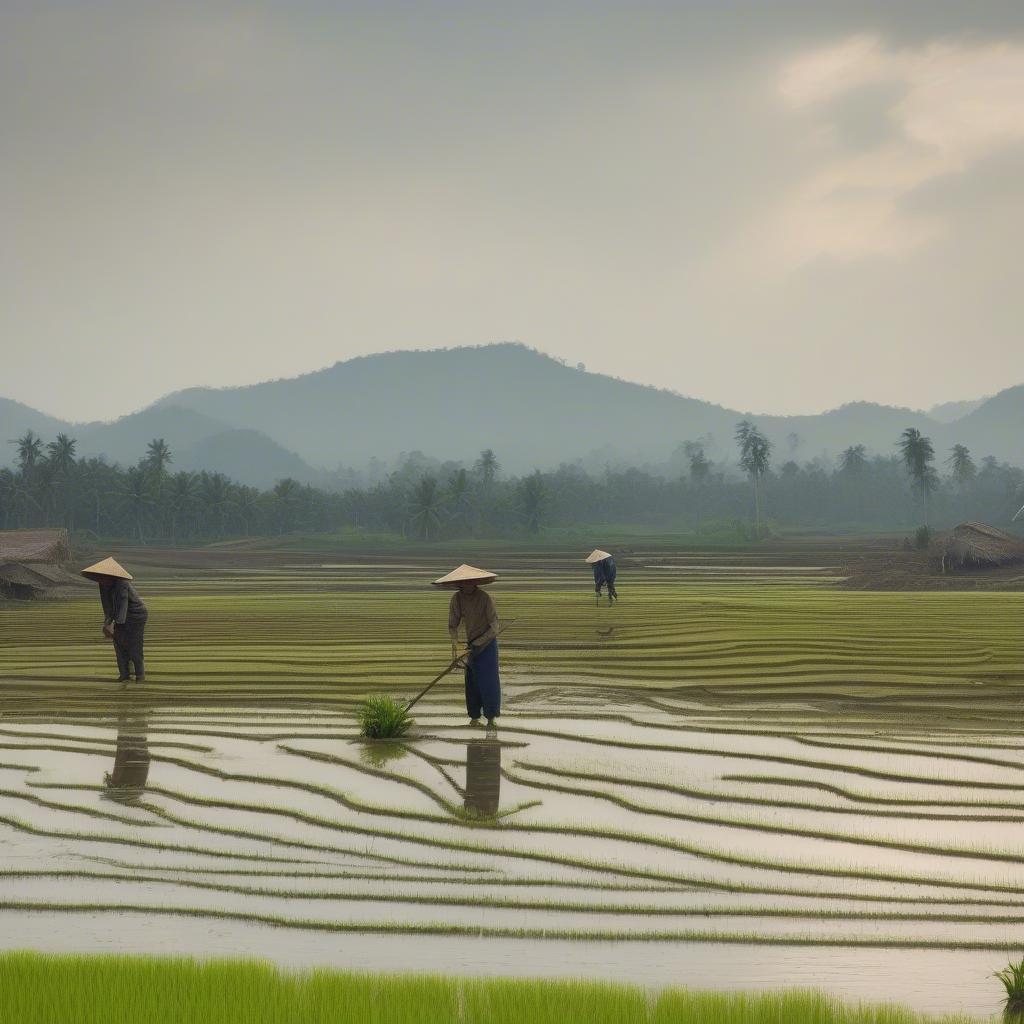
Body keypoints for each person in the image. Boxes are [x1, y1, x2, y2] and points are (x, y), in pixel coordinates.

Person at [433, 563, 501, 729]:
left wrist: (479, 642)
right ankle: (474, 716)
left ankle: (491, 718)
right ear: (459, 584)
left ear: (475, 582)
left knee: (488, 681)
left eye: (470, 581)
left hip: (487, 645)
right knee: (471, 682)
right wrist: (455, 647)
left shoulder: (485, 598)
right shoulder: (457, 599)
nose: (467, 585)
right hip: (471, 646)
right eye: (464, 582)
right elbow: (452, 625)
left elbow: (495, 627)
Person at [80, 557, 148, 683]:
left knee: (133, 644)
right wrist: (107, 622)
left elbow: (123, 605)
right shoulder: (103, 585)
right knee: (118, 644)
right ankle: (124, 674)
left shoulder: (122, 584)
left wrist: (115, 624)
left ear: (111, 575)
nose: (101, 579)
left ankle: (140, 675)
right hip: (120, 616)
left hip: (136, 615)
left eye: (103, 576)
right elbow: (107, 605)